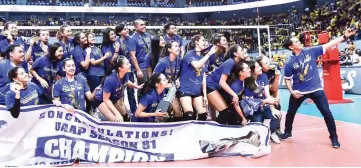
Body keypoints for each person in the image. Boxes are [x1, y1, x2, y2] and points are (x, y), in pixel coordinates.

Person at [280, 28, 356, 148]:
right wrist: (292, 91)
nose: (299, 42)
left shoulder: (310, 51)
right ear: (291, 47)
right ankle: (287, 132)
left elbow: (329, 44)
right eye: (296, 41)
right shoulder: (289, 63)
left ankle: (334, 138)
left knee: (327, 113)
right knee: (290, 112)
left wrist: (344, 36)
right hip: (299, 91)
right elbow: (287, 79)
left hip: (316, 89)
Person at [177, 34, 216, 121]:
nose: (205, 42)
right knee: (189, 115)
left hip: (197, 90)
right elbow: (197, 65)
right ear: (197, 42)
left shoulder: (203, 57)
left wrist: (205, 95)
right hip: (185, 89)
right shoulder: (190, 54)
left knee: (203, 115)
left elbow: (203, 77)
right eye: (203, 40)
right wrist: (209, 54)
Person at [93, 55, 142, 122]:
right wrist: (117, 114)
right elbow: (106, 99)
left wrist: (137, 87)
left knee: (126, 117)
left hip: (114, 98)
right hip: (102, 99)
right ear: (120, 68)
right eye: (127, 64)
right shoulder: (110, 80)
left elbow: (126, 81)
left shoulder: (126, 73)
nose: (130, 65)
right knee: (116, 120)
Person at [205, 44, 246, 124]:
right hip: (210, 85)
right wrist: (234, 95)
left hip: (216, 87)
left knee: (226, 111)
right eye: (241, 50)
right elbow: (222, 82)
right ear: (235, 54)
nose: (243, 52)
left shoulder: (236, 63)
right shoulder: (230, 62)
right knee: (224, 111)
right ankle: (216, 131)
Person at [243, 61, 281, 143]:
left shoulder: (263, 76)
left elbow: (267, 94)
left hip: (264, 106)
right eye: (257, 67)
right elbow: (251, 103)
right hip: (254, 110)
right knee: (258, 127)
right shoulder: (247, 83)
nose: (260, 68)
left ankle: (272, 132)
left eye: (260, 66)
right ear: (252, 71)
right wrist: (265, 101)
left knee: (277, 114)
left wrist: (272, 105)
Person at [153, 41, 183, 121]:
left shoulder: (179, 61)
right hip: (163, 91)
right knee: (164, 115)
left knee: (178, 112)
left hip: (173, 89)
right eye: (176, 46)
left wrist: (178, 79)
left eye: (179, 46)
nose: (178, 48)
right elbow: (154, 77)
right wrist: (165, 85)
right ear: (169, 49)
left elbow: (180, 74)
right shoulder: (163, 62)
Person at [224, 61, 250, 125]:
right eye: (247, 68)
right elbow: (236, 105)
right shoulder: (235, 86)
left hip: (238, 106)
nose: (250, 70)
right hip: (231, 110)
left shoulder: (243, 80)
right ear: (241, 73)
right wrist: (243, 118)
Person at [128, 19, 152, 85]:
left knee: (152, 86)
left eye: (144, 24)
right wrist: (138, 70)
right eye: (141, 25)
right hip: (142, 67)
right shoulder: (132, 39)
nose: (144, 26)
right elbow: (132, 56)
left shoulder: (148, 35)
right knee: (143, 88)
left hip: (151, 65)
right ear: (136, 27)